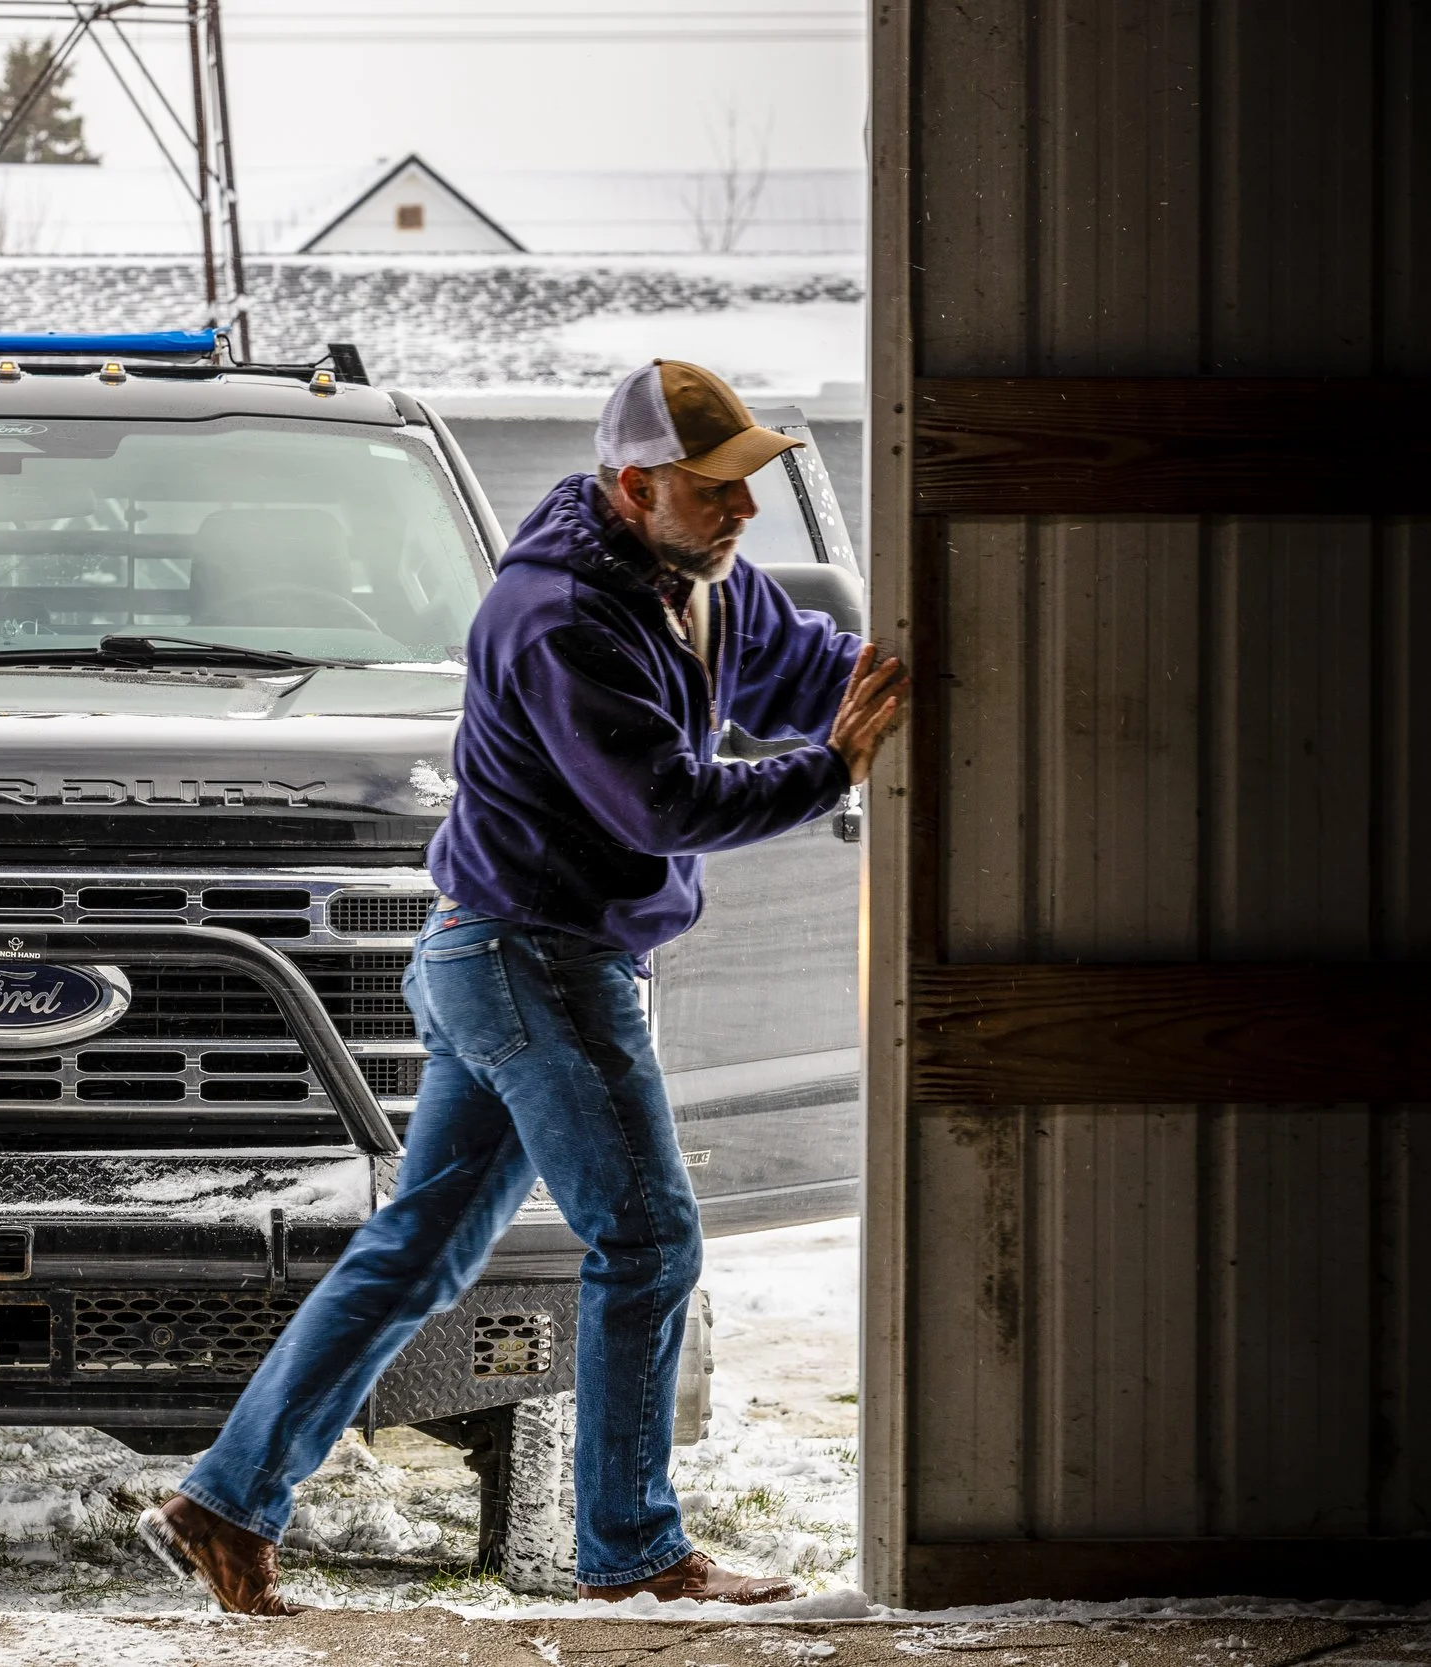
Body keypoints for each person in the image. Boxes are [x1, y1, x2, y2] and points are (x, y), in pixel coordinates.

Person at [137, 359, 908, 1613]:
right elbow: (660, 803)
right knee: (647, 1238)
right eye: (715, 488)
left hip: (503, 952)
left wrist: (900, 674)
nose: (743, 509)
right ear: (634, 485)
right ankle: (634, 1554)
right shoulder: (556, 615)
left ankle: (222, 1501)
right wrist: (830, 771)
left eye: (747, 484)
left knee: (418, 1252)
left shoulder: (701, 579)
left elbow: (805, 665)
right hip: (534, 956)